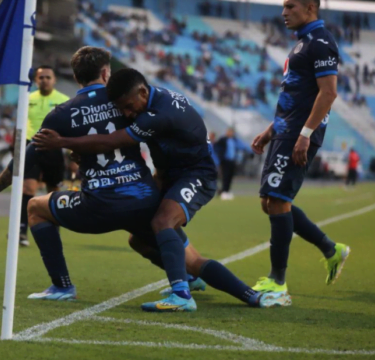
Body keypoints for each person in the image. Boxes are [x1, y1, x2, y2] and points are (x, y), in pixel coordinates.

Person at [33, 67, 291, 310]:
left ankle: (181, 295)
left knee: (163, 222)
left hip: (196, 176)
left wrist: (63, 141)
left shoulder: (159, 114)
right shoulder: (151, 99)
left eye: (128, 107)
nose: (126, 114)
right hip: (170, 176)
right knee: (140, 241)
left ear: (142, 93)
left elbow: (114, 140)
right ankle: (244, 295)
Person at [250, 0, 350, 297]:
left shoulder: (321, 43)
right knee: (269, 202)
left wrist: (305, 134)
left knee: (278, 202)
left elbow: (328, 92)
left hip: (299, 134)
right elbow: (294, 94)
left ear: (309, 7)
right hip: (285, 131)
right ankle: (331, 249)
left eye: (290, 6)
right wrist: (270, 131)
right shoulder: (302, 44)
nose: (283, 12)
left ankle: (277, 282)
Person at [17, 65, 70, 247]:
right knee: (27, 188)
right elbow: (20, 124)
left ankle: (54, 231)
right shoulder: (27, 99)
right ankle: (22, 231)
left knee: (53, 192)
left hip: (54, 149)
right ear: (36, 80)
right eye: (41, 77)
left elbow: (70, 129)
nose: (44, 80)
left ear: (54, 80)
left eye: (48, 77)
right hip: (31, 145)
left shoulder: (64, 100)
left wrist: (72, 154)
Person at [215, 128, 252, 200]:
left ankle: (228, 191)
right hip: (225, 161)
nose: (230, 133)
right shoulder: (223, 140)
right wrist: (220, 157)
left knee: (230, 176)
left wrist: (251, 151)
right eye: (229, 132)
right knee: (225, 176)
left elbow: (243, 146)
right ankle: (224, 191)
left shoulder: (235, 140)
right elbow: (217, 148)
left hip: (232, 161)